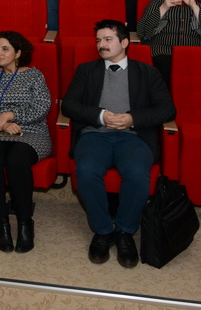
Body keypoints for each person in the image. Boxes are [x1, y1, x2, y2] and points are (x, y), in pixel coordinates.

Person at [63, 19, 176, 269]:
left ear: (124, 43)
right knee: (86, 170)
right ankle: (103, 230)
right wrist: (100, 115)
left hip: (133, 136)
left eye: (108, 39)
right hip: (95, 134)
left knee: (136, 172)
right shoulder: (86, 70)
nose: (101, 45)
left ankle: (125, 231)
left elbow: (167, 109)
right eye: (98, 40)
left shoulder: (147, 72)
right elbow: (69, 105)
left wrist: (132, 118)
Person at [0, 31, 50, 252]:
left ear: (18, 53)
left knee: (17, 160)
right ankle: (1, 222)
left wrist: (11, 115)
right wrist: (2, 123)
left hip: (32, 130)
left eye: (5, 49)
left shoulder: (34, 75)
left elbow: (42, 105)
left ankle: (25, 223)